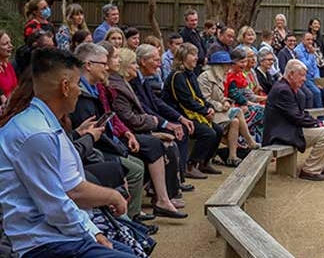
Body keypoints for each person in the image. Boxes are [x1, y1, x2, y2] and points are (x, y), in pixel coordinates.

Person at [0, 47, 138, 258]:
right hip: (43, 242)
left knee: (130, 249)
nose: (79, 91)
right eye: (77, 84)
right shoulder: (36, 132)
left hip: (60, 235)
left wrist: (93, 232)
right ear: (65, 87)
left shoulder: (44, 123)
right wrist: (94, 234)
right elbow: (55, 204)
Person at [102, 45, 187, 219]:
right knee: (156, 146)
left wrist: (168, 121)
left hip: (130, 132)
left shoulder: (126, 83)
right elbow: (126, 118)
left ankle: (166, 196)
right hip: (123, 135)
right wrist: (154, 122)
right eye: (133, 63)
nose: (136, 67)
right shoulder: (117, 86)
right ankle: (160, 200)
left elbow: (149, 106)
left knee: (168, 143)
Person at [69, 43, 147, 222]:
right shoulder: (80, 95)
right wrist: (118, 149)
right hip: (92, 153)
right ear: (88, 65)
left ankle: (130, 218)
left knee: (136, 161)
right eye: (103, 64)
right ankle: (128, 220)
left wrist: (125, 136)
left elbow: (110, 119)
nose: (107, 68)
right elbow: (92, 135)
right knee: (131, 169)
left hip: (100, 146)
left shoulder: (96, 88)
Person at [131, 44, 199, 185]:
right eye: (156, 60)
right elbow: (143, 108)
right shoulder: (133, 81)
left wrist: (179, 118)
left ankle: (177, 178)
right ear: (143, 61)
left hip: (152, 120)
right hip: (142, 124)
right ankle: (174, 182)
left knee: (182, 127)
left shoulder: (143, 79)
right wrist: (167, 123)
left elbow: (157, 102)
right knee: (177, 133)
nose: (160, 64)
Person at [261, 59, 324, 181]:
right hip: (281, 133)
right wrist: (316, 123)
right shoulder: (282, 90)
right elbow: (296, 117)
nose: (304, 79)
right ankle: (309, 170)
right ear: (291, 74)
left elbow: (299, 114)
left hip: (290, 126)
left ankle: (321, 165)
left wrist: (316, 123)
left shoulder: (288, 87)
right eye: (301, 75)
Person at [162, 42, 224, 176]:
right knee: (208, 133)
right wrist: (205, 111)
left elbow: (199, 97)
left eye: (196, 54)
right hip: (179, 114)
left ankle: (204, 162)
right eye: (192, 54)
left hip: (193, 113)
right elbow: (186, 101)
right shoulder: (177, 76)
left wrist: (209, 107)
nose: (196, 58)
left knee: (218, 130)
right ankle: (190, 165)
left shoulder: (191, 74)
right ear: (183, 56)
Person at [198, 51, 260, 167]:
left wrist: (226, 101)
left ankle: (232, 156)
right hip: (209, 113)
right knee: (239, 111)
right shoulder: (205, 77)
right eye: (227, 65)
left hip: (219, 111)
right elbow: (204, 99)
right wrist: (222, 105)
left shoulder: (220, 76)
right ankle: (250, 141)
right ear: (219, 65)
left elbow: (221, 97)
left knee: (235, 121)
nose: (229, 67)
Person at [224, 48, 267, 147]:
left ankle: (259, 141)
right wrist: (255, 103)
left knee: (263, 111)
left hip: (244, 104)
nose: (244, 64)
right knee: (260, 111)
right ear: (233, 63)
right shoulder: (230, 76)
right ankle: (244, 141)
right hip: (234, 104)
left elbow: (248, 93)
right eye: (241, 62)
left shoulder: (240, 74)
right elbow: (237, 97)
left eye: (245, 61)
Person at [295, 32, 324, 110]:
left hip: (314, 78)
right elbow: (305, 66)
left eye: (311, 40)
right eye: (308, 39)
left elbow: (315, 67)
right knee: (317, 92)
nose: (310, 42)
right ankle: (320, 117)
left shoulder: (311, 49)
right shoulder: (298, 50)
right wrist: (310, 54)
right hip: (305, 78)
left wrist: (317, 80)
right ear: (302, 40)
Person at [179, 9, 207, 75]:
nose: (194, 22)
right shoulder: (183, 34)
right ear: (186, 21)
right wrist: (202, 60)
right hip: (192, 67)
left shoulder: (196, 32)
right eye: (192, 21)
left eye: (196, 20)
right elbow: (187, 52)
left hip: (200, 66)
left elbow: (202, 46)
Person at [0, 31, 17, 110]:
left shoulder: (9, 66)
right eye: (5, 44)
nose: (10, 46)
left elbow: (15, 88)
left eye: (10, 43)